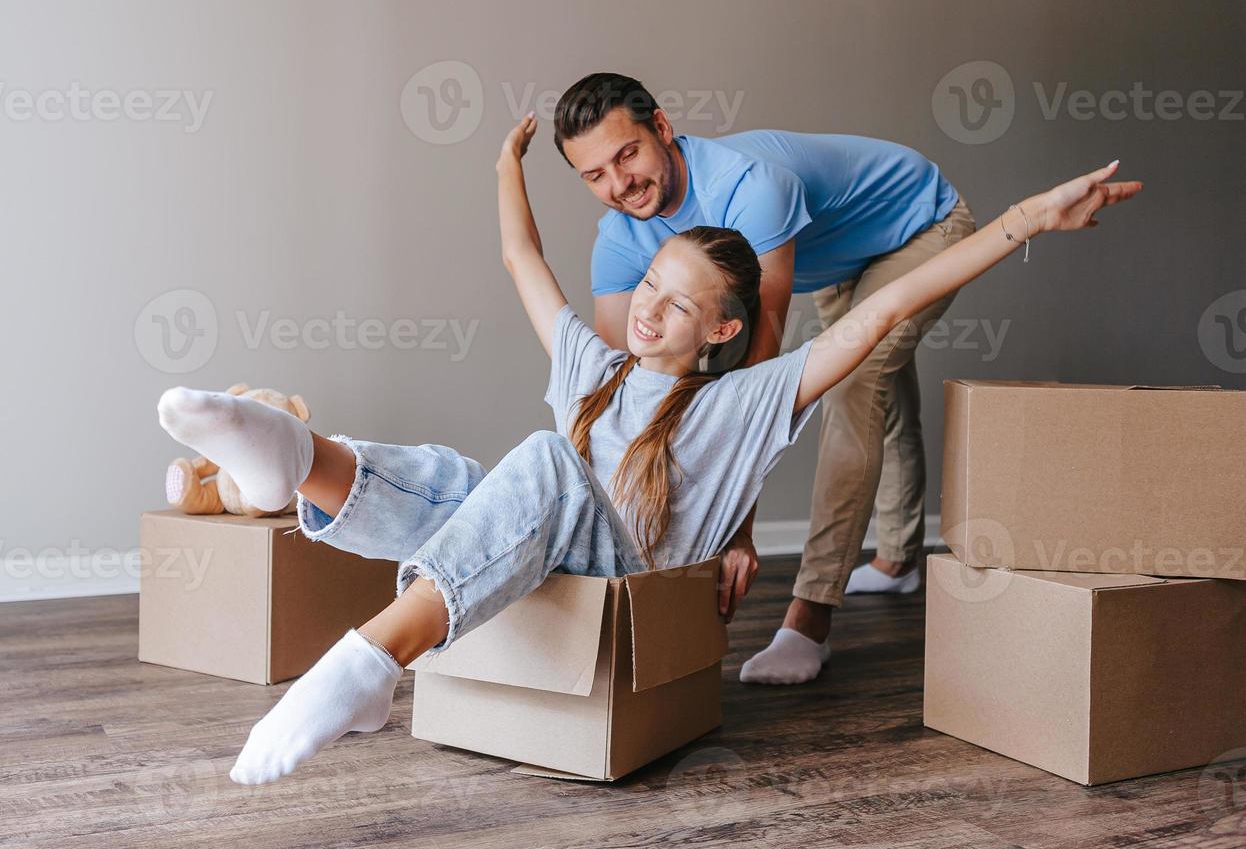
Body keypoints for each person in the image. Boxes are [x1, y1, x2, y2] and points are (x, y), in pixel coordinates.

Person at [156, 113, 1140, 784]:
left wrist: (1023, 220)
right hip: (536, 551)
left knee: (540, 465)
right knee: (467, 481)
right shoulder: (594, 365)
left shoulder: (752, 398)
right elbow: (521, 261)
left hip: (626, 579)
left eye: (679, 304)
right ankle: (290, 456)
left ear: (720, 329)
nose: (649, 313)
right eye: (650, 287)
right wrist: (507, 166)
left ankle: (370, 660)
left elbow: (884, 307)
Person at [553, 72, 978, 684]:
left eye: (628, 154)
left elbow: (758, 373)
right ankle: (898, 560)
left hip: (920, 224)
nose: (620, 184)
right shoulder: (621, 235)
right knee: (884, 391)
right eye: (595, 175)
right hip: (837, 257)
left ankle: (810, 619)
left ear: (663, 129)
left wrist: (737, 532)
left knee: (856, 386)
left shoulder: (748, 188)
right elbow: (619, 386)